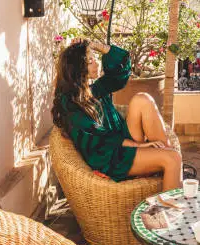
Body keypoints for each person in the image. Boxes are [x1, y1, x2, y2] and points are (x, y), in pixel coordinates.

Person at [52, 38, 182, 191]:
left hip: (121, 138)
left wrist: (97, 45)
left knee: (142, 99)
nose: (96, 63)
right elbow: (102, 140)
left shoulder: (94, 89)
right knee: (173, 158)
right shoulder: (70, 104)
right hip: (109, 157)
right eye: (90, 61)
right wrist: (141, 145)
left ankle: (163, 161)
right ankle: (169, 207)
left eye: (94, 58)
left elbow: (121, 70)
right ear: (77, 68)